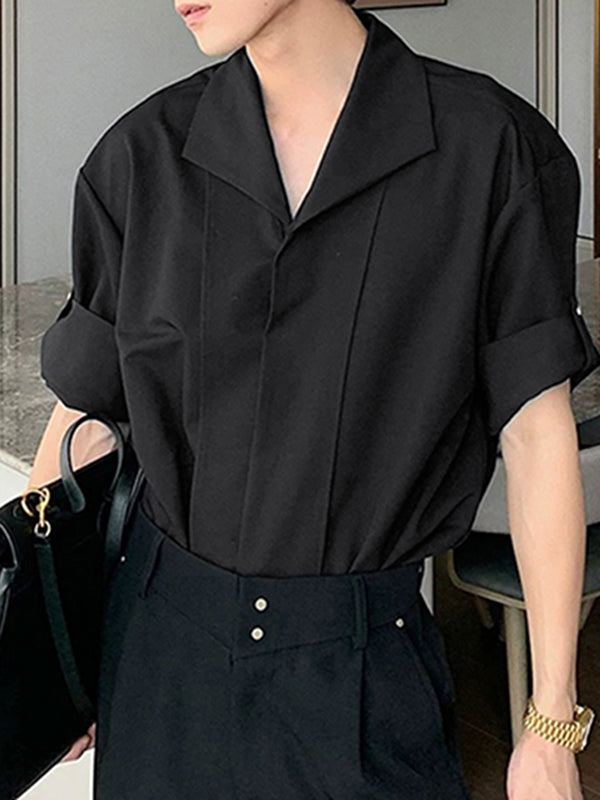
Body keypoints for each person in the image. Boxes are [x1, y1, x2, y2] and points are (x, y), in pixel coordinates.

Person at [29, 0, 600, 797]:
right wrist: (45, 661)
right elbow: (85, 418)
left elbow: (537, 437)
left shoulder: (489, 150)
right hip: (161, 667)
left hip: (364, 680)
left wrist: (551, 721)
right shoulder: (140, 157)